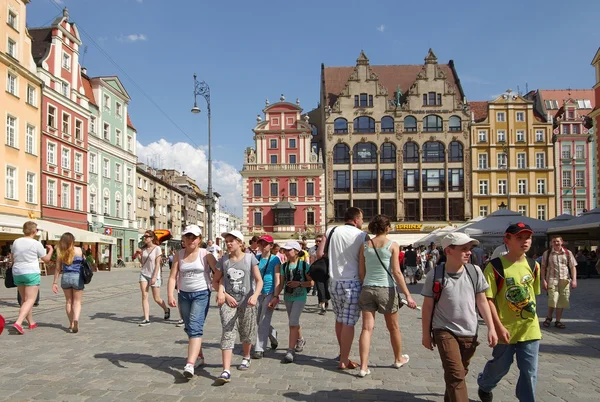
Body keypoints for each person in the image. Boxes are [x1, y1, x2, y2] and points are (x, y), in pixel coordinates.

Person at [421, 232, 498, 401]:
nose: (469, 252)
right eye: (463, 249)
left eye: (469, 249)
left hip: (470, 332)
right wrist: (426, 334)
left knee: (459, 372)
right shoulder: (435, 275)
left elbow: (482, 302)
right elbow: (427, 307)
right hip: (444, 330)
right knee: (456, 374)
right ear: (448, 251)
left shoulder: (475, 271)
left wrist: (491, 328)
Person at [477, 223, 541, 402]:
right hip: (504, 327)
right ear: (507, 240)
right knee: (501, 366)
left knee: (529, 372)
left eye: (527, 237)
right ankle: (485, 385)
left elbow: (533, 295)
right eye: (519, 238)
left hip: (530, 328)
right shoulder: (495, 267)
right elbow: (488, 299)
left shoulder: (534, 265)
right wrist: (497, 326)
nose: (525, 241)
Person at [357, 215, 417, 378]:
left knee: (366, 329)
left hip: (367, 288)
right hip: (386, 289)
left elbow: (361, 272)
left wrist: (367, 283)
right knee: (393, 327)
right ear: (387, 228)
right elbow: (397, 272)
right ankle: (398, 358)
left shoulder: (365, 245)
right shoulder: (392, 245)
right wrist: (408, 295)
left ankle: (363, 366)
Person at [316, 207, 366, 370]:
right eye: (362, 219)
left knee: (339, 319)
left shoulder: (332, 230)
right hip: (352, 282)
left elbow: (319, 253)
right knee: (349, 322)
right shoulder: (362, 235)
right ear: (356, 220)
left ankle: (342, 352)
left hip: (334, 281)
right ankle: (344, 360)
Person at [167, 225, 219, 378]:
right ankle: (200, 357)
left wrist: (220, 291)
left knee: (195, 326)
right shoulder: (179, 254)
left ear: (199, 240)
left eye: (194, 237)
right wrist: (170, 295)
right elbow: (172, 277)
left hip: (201, 294)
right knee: (189, 328)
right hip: (183, 294)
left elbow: (218, 273)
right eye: (188, 237)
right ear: (183, 239)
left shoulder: (206, 255)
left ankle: (190, 364)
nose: (190, 240)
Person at [215, 230, 263, 384]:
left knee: (247, 332)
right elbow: (216, 281)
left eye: (232, 241)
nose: (228, 243)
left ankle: (246, 356)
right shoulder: (223, 260)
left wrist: (255, 296)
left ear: (240, 243)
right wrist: (224, 294)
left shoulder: (250, 259)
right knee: (227, 332)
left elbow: (259, 280)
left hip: (247, 302)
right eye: (227, 241)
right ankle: (226, 370)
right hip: (228, 302)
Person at [271, 241, 314, 363]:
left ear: (296, 251)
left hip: (300, 296)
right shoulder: (284, 266)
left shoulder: (304, 266)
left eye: (288, 250)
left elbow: (312, 282)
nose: (286, 252)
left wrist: (299, 284)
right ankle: (300, 339)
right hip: (288, 297)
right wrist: (275, 296)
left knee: (293, 322)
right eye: (284, 250)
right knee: (293, 321)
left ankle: (290, 350)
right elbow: (281, 283)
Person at [10, 221, 53, 334]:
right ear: (34, 231)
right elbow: (46, 259)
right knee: (30, 300)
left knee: (24, 300)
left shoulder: (16, 242)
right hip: (31, 272)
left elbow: (13, 258)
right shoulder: (36, 243)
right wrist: (51, 250)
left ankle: (31, 322)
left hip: (17, 271)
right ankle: (18, 323)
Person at [133, 230, 170, 326]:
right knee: (144, 296)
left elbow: (158, 264)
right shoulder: (143, 249)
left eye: (146, 236)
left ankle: (166, 309)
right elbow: (142, 263)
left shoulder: (157, 248)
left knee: (156, 298)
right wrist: (139, 255)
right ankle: (146, 319)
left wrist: (154, 277)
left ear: (152, 238)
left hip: (154, 275)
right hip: (144, 274)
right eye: (144, 237)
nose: (145, 238)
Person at [252, 234, 281, 359]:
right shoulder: (255, 258)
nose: (263, 246)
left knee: (264, 319)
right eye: (261, 243)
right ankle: (272, 333)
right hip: (257, 293)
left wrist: (276, 295)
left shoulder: (275, 259)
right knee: (259, 320)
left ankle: (259, 348)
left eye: (266, 244)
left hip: (270, 292)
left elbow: (277, 278)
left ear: (271, 246)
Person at [51, 233, 86, 333]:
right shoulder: (79, 250)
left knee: (69, 301)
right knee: (77, 302)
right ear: (72, 240)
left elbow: (58, 268)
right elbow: (84, 263)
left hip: (65, 277)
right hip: (77, 277)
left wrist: (54, 283)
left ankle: (71, 323)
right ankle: (76, 319)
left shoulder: (60, 252)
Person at [541, 236, 577, 329]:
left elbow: (573, 267)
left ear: (562, 242)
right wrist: (543, 280)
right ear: (551, 243)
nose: (556, 243)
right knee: (553, 300)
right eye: (554, 241)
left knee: (562, 301)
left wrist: (574, 280)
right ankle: (549, 317)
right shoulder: (547, 253)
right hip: (552, 280)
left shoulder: (568, 253)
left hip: (564, 280)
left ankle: (558, 321)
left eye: (557, 241)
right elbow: (543, 267)